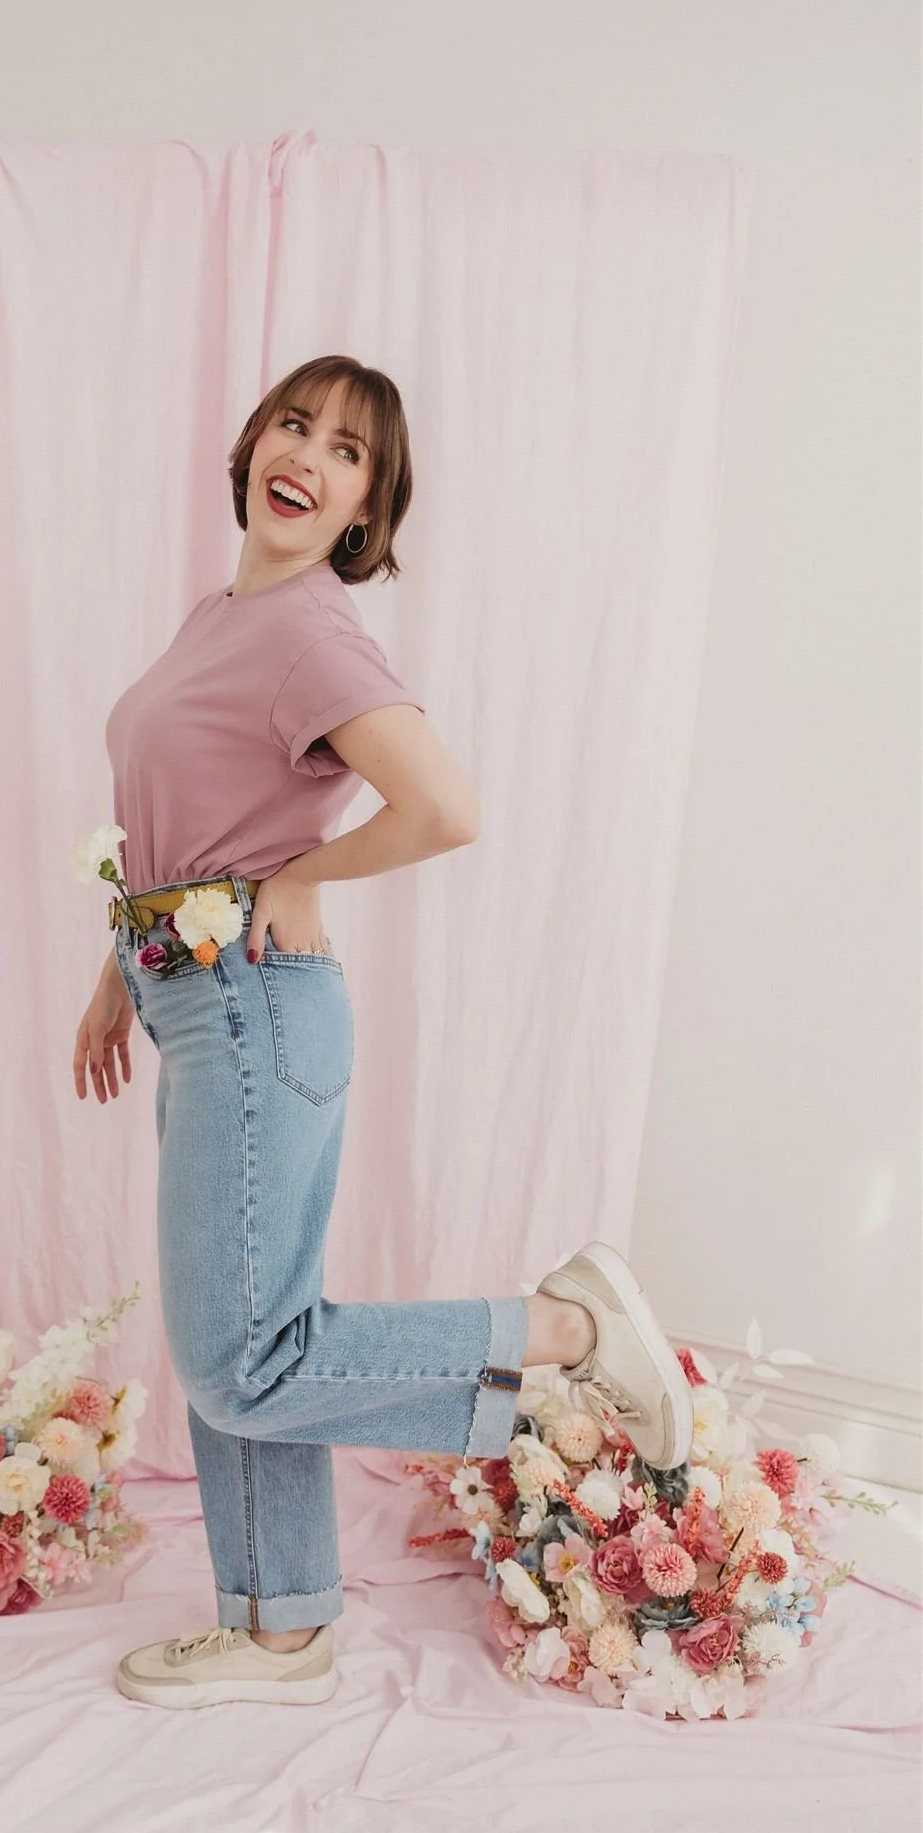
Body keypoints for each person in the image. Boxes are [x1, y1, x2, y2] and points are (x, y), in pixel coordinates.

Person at [73, 354, 694, 1710]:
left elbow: (443, 807)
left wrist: (292, 880)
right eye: (294, 426)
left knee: (247, 1356)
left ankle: (562, 1339)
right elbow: (183, 818)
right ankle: (281, 1620)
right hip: (197, 992)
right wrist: (121, 968)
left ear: (368, 505)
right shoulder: (219, 617)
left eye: (348, 452)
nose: (309, 457)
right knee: (242, 1339)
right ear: (248, 448)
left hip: (255, 1002)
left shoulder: (310, 628)